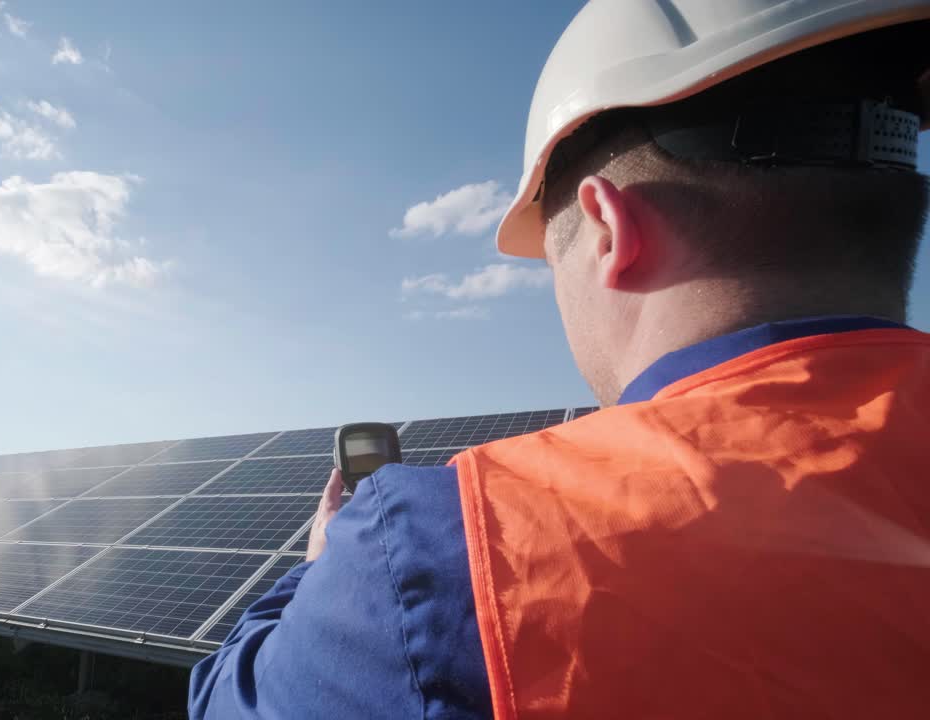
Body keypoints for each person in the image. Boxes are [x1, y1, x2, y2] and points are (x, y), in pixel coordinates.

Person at [189, 1, 930, 717]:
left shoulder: (448, 552)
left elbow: (232, 704)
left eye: (552, 260)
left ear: (609, 230)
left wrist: (322, 573)